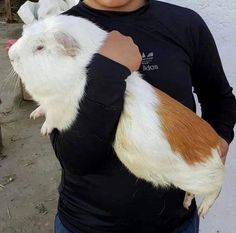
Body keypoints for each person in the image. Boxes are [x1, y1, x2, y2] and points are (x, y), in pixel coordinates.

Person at [50, 0, 236, 232]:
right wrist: (110, 69)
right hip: (86, 224)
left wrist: (219, 138)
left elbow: (219, 97)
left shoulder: (185, 24)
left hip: (175, 223)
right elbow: (76, 158)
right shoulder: (57, 34)